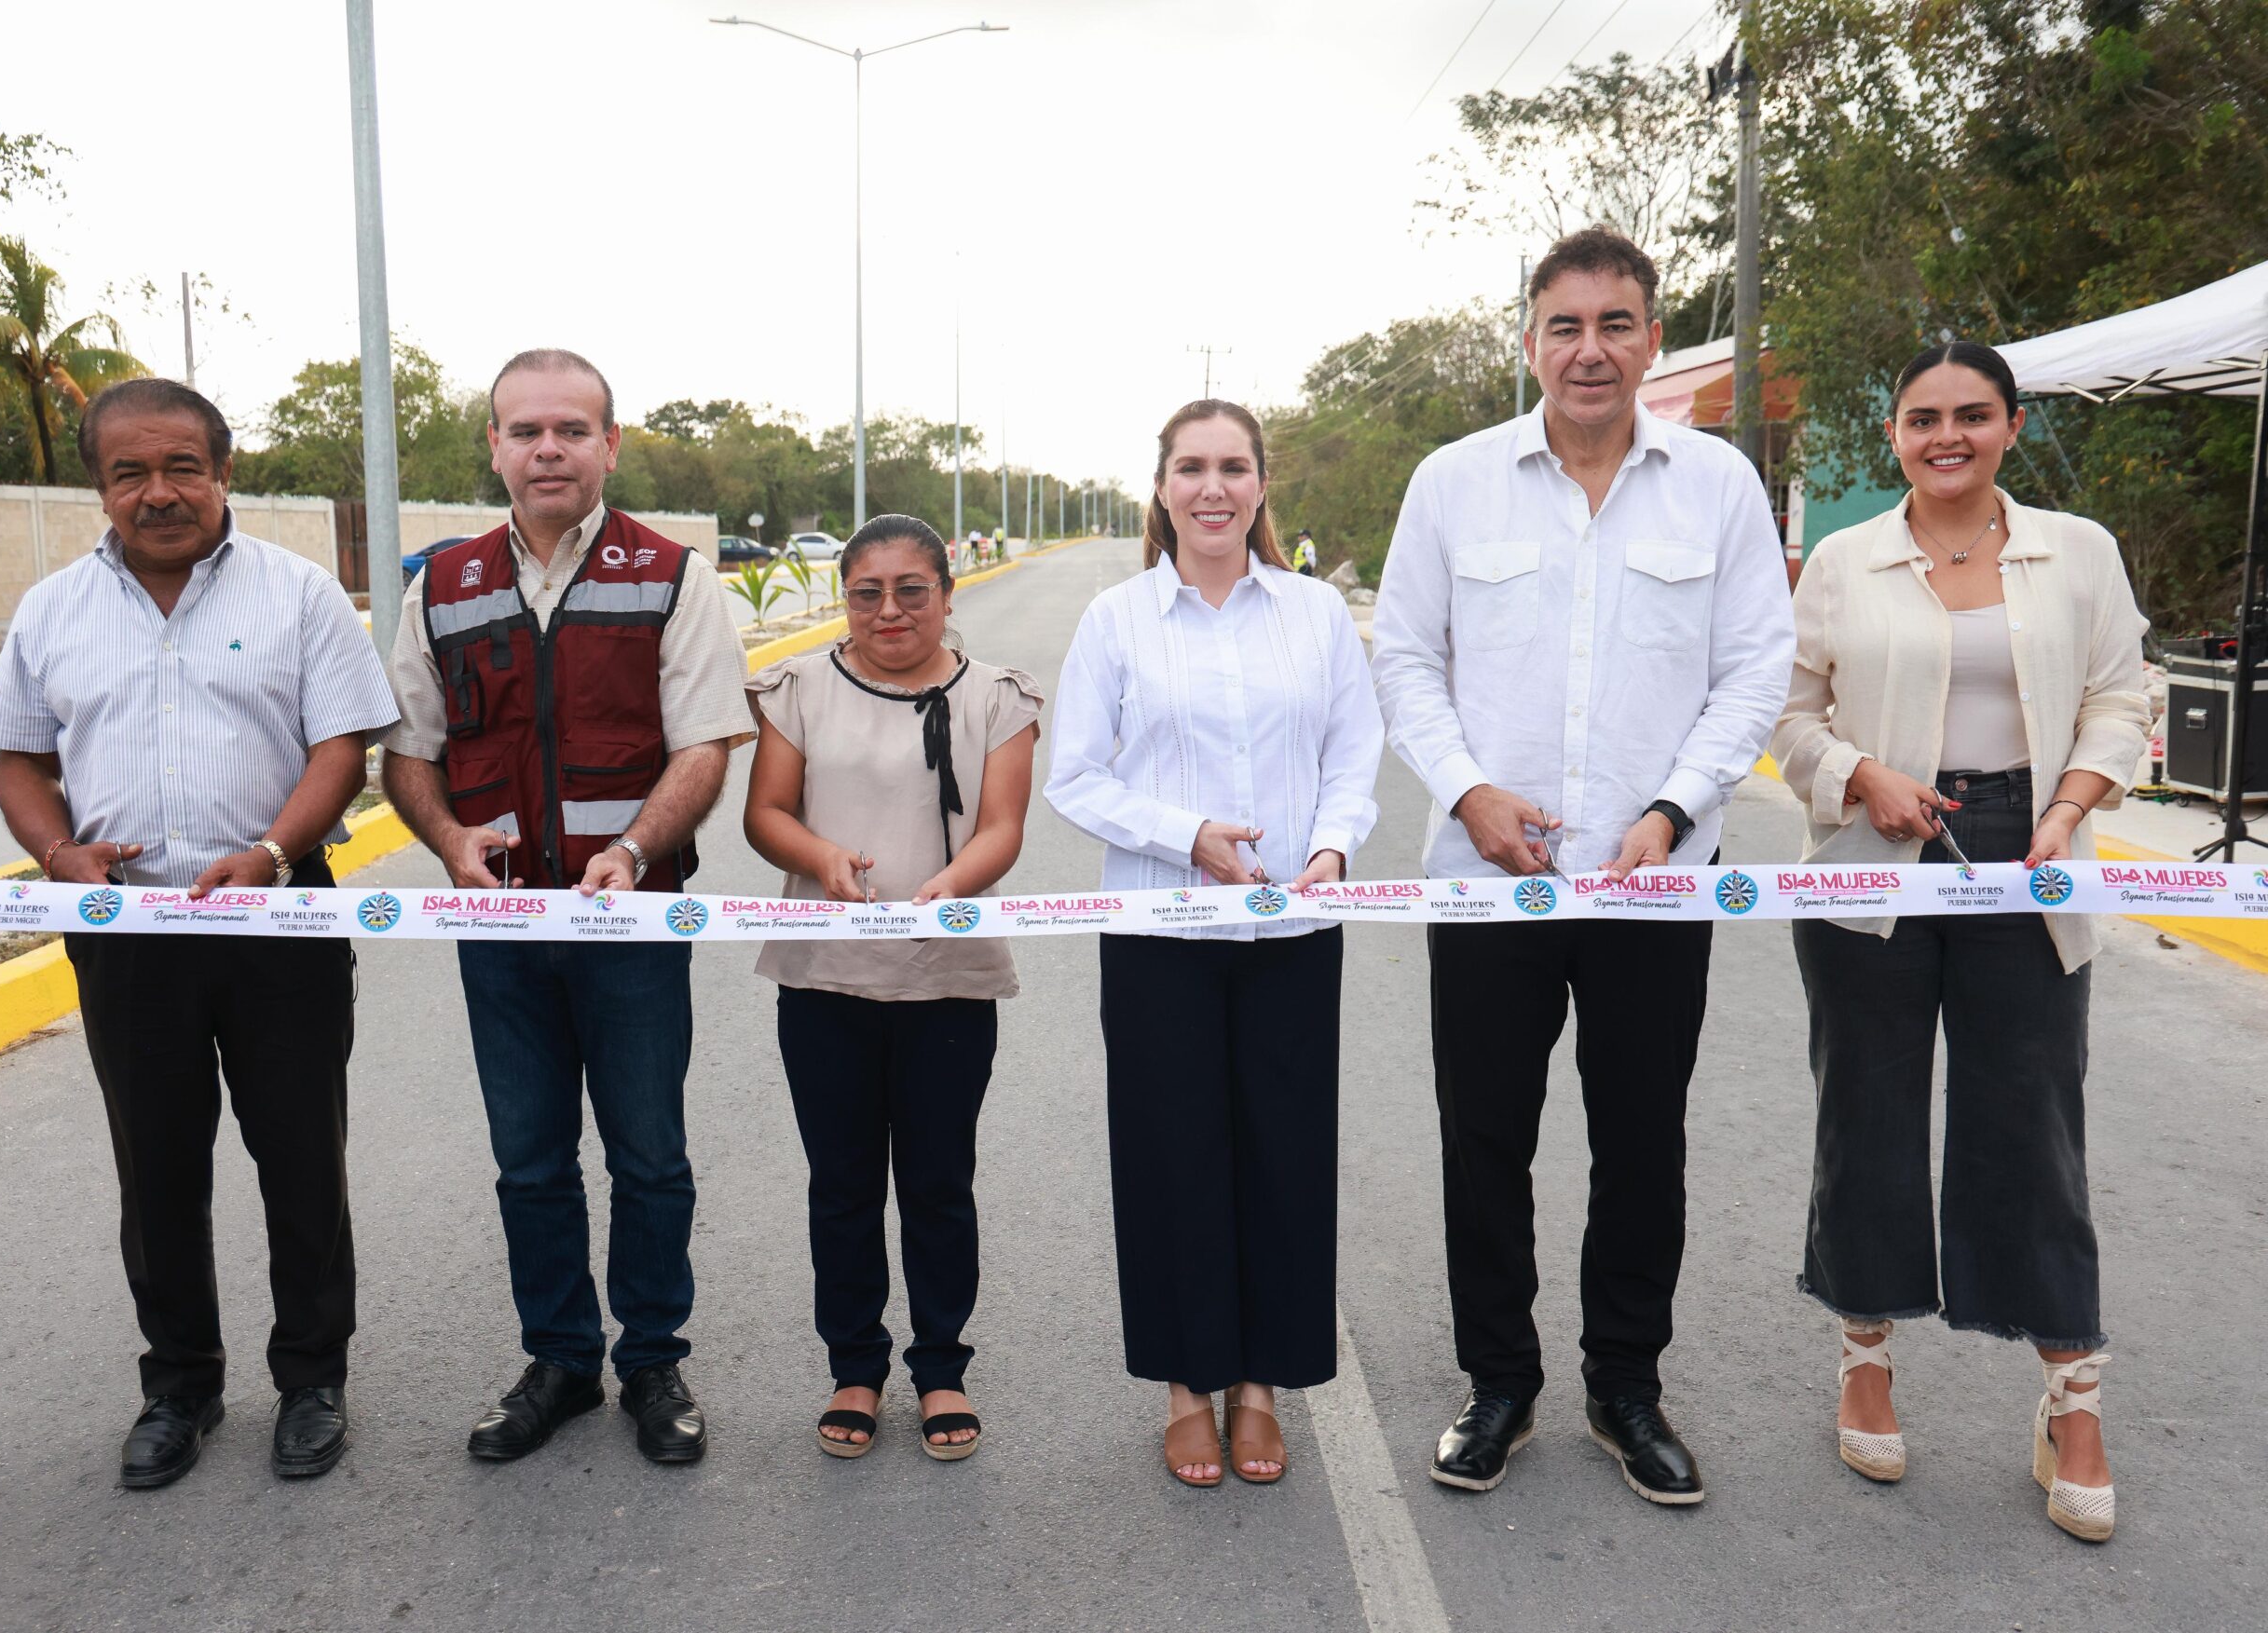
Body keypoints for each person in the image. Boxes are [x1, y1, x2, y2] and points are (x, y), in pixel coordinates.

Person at [1371, 227, 1794, 1506]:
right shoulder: (1453, 482)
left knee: (1640, 1141)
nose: (1591, 348)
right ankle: (1499, 1382)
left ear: (1652, 341)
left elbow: (1755, 667)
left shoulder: (1717, 484)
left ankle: (1627, 1387)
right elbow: (1404, 658)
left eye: (1617, 323)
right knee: (1485, 1139)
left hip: (1652, 882)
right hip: (1487, 877)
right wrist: (1471, 792)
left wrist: (1671, 809)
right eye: (1566, 325)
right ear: (1530, 341)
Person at [0, 378, 401, 1489]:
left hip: (279, 915)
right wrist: (60, 857)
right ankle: (180, 1387)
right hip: (126, 934)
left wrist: (265, 851)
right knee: (155, 1165)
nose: (159, 493)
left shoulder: (302, 594)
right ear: (99, 486)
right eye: (130, 473)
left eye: (182, 469)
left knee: (302, 1156)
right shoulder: (51, 610)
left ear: (222, 472)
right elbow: (20, 758)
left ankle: (312, 1380)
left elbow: (341, 751)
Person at [1769, 341, 2147, 1542]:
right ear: (1892, 435)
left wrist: (2068, 809)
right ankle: (1865, 1356)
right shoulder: (1842, 561)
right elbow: (1786, 712)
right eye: (1922, 417)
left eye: (1970, 416)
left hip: (2028, 842)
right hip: (1877, 853)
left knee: (2029, 1124)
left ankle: (2071, 1401)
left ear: (2011, 426)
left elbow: (2119, 697)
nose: (1947, 436)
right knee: (1867, 1114)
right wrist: (1855, 771)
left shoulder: (2074, 552)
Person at [381, 349, 754, 1467]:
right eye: (526, 430)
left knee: (649, 1154)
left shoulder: (673, 575)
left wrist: (637, 849)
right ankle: (558, 1358)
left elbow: (703, 747)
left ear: (609, 445)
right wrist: (450, 841)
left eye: (572, 430)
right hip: (501, 930)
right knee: (529, 1158)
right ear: (492, 447)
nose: (549, 449)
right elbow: (407, 753)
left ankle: (652, 1361)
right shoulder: (439, 587)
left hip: (630, 923)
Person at [1046, 399, 1382, 1488]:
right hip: (1157, 929)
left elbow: (1351, 752)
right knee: (1172, 1153)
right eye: (1190, 467)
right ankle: (1189, 1386)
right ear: (1160, 486)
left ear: (1260, 484)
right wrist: (1184, 836)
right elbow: (1076, 777)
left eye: (1233, 467)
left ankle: (1259, 1387)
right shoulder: (1116, 619)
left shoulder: (1314, 613)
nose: (1212, 488)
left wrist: (1331, 851)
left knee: (1282, 1153)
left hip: (1293, 924)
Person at [742, 514, 1043, 1462]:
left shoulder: (999, 698)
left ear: (948, 594)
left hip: (949, 979)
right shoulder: (798, 690)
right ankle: (855, 1366)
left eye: (912, 589)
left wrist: (953, 886)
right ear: (846, 600)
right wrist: (820, 856)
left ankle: (942, 1365)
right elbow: (765, 814)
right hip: (824, 978)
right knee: (841, 1184)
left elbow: (1001, 826)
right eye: (867, 591)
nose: (889, 609)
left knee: (938, 1183)